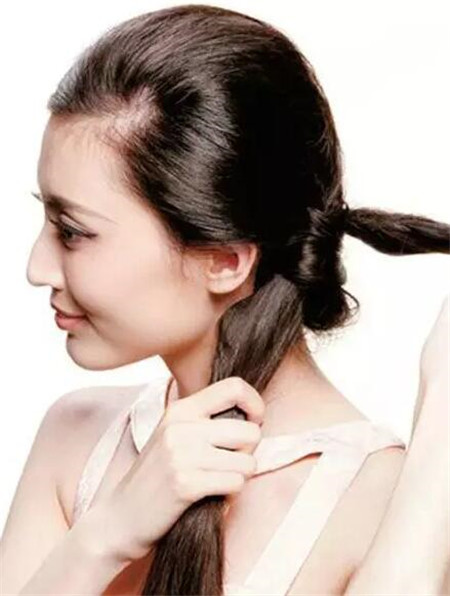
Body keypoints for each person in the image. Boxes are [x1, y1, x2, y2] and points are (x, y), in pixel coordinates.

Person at [1, 5, 449, 595]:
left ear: (225, 260)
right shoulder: (75, 438)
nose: (36, 268)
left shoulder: (375, 498)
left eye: (73, 231)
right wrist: (105, 537)